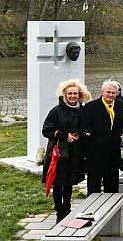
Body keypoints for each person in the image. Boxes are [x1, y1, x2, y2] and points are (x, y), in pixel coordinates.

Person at [42, 79, 91, 223]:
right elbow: (46, 130)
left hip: (75, 153)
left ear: (79, 95)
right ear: (65, 95)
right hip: (59, 154)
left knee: (69, 183)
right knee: (58, 183)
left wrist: (86, 132)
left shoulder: (83, 111)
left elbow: (87, 126)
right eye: (70, 93)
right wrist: (64, 136)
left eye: (75, 93)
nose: (72, 96)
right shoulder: (56, 111)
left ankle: (67, 209)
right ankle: (59, 211)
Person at [81, 80, 123, 194]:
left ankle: (112, 207)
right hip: (95, 151)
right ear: (102, 92)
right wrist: (89, 131)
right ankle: (92, 208)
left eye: (113, 93)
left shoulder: (121, 105)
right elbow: (84, 126)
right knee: (94, 183)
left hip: (113, 150)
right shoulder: (91, 107)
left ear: (117, 94)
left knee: (112, 183)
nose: (111, 95)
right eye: (108, 92)